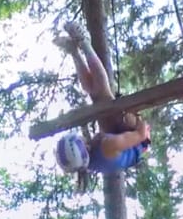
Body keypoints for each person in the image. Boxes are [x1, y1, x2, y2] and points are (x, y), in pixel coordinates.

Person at [51, 20, 152, 186]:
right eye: (80, 140)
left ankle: (74, 52)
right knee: (104, 98)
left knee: (96, 97)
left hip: (119, 137)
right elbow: (141, 133)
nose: (82, 138)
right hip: (139, 139)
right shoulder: (108, 146)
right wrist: (133, 114)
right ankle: (84, 43)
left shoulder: (86, 161)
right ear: (84, 149)